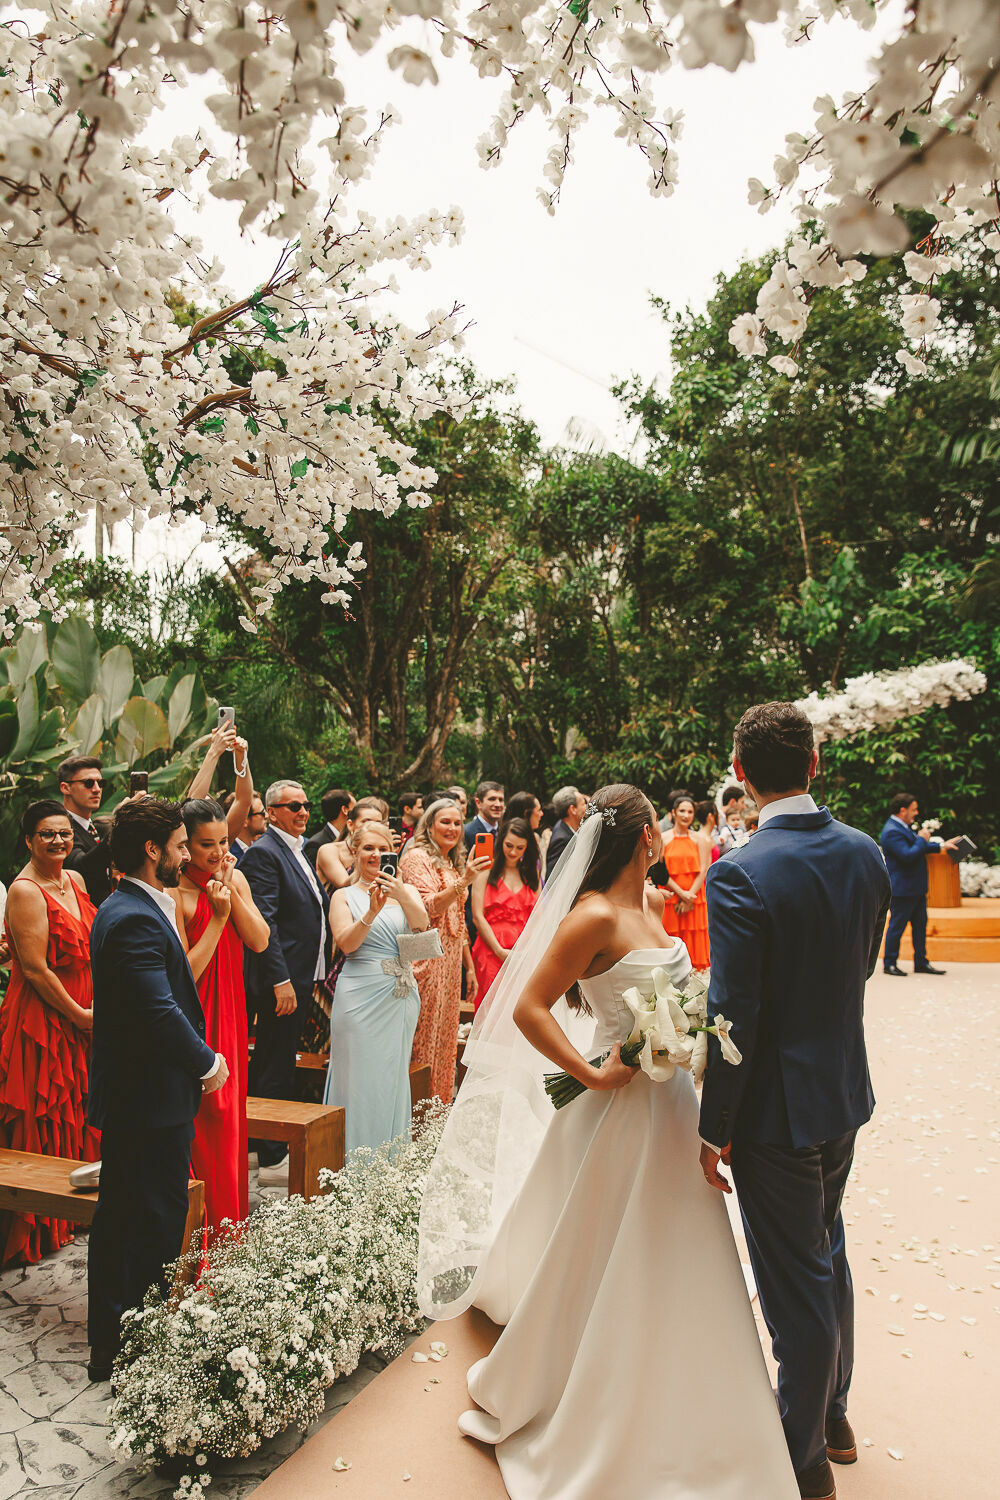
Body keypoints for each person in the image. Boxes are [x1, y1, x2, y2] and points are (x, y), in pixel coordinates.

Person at [417, 785, 798, 1500]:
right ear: (645, 835)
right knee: (607, 1244)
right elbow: (529, 1007)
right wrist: (589, 1074)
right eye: (658, 823)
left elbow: (679, 997)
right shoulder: (590, 915)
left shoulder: (651, 907)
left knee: (678, 1243)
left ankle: (688, 1374)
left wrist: (690, 1026)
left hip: (673, 1103)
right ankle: (596, 1383)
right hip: (618, 1109)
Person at [699, 702, 891, 1500]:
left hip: (775, 1111)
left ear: (740, 778)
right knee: (827, 1248)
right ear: (814, 765)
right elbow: (864, 968)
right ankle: (836, 1416)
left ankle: (804, 1457)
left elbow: (733, 1015)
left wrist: (714, 1128)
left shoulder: (739, 870)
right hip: (843, 1089)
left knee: (796, 1279)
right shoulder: (867, 853)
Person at [87, 798, 229, 1383]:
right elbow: (156, 1009)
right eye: (177, 846)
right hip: (147, 1101)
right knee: (153, 1221)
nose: (181, 855)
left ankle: (115, 1349)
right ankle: (137, 1346)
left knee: (124, 1219)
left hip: (136, 1097)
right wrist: (207, 1062)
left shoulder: (127, 906)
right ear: (153, 851)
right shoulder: (135, 917)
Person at [0, 801, 99, 1265]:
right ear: (28, 840)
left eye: (64, 833)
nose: (59, 841)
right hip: (46, 1014)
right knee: (46, 1111)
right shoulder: (25, 891)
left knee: (78, 1105)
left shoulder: (74, 881)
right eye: (47, 834)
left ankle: (73, 1211)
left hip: (84, 1009)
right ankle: (38, 1224)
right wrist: (79, 1013)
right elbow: (37, 970)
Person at [173, 799, 270, 1235]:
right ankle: (200, 1234)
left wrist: (230, 887)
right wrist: (217, 916)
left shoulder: (235, 878)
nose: (216, 852)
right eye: (205, 844)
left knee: (231, 1121)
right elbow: (184, 976)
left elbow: (261, 941)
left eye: (224, 842)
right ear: (185, 845)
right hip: (195, 1020)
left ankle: (229, 1227)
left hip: (231, 1014)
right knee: (206, 1120)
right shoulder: (175, 894)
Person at [324, 822, 429, 1152]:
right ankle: (349, 1161)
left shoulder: (406, 891)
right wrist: (371, 911)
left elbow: (422, 930)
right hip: (358, 994)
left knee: (391, 1077)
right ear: (354, 852)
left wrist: (400, 895)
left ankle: (388, 1162)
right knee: (357, 1079)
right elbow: (347, 945)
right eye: (367, 848)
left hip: (400, 995)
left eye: (382, 849)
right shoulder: (343, 896)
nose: (375, 855)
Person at [241, 781, 327, 1185]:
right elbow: (265, 920)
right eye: (293, 806)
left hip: (302, 972)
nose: (303, 811)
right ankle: (272, 1156)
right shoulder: (264, 853)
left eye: (306, 805)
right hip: (283, 977)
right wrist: (281, 979)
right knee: (275, 1063)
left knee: (276, 1060)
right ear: (271, 812)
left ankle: (259, 1146)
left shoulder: (295, 848)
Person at [400, 800, 491, 1103]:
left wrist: (468, 966)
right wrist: (465, 881)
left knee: (446, 1038)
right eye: (445, 822)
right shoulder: (416, 858)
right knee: (424, 1037)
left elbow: (459, 922)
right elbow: (426, 908)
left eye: (457, 823)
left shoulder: (449, 862)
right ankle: (416, 1111)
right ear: (428, 825)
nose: (452, 828)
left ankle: (437, 1109)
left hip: (450, 962)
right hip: (425, 959)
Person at [880, 792, 959, 977]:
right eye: (913, 809)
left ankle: (921, 962)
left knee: (920, 926)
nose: (916, 813)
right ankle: (889, 964)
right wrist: (923, 839)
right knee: (897, 927)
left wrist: (942, 846)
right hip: (902, 889)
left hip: (915, 888)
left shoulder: (902, 827)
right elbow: (908, 855)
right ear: (903, 810)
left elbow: (915, 846)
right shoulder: (892, 830)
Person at [470, 818, 539, 1009]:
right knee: (491, 1007)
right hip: (491, 949)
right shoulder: (486, 870)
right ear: (501, 842)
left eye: (520, 848)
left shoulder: (531, 875)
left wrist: (525, 951)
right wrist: (499, 951)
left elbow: (537, 918)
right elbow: (477, 916)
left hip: (522, 951)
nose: (513, 852)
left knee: (518, 1008)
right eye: (509, 845)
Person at [658, 793, 712, 968]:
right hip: (671, 897)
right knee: (671, 939)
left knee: (694, 943)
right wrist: (681, 894)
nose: (686, 815)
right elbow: (660, 871)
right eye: (682, 811)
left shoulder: (700, 839)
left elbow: (704, 869)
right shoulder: (664, 838)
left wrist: (690, 896)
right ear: (674, 812)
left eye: (689, 812)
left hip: (695, 898)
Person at [59, 754, 114, 905]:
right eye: (88, 783)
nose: (96, 789)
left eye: (100, 783)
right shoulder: (59, 830)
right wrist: (121, 824)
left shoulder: (96, 828)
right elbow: (81, 867)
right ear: (66, 787)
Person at [315, 796, 384, 892]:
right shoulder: (329, 850)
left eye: (378, 824)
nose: (372, 827)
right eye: (366, 822)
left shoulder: (381, 852)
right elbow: (342, 884)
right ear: (350, 825)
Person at [304, 788, 355, 870]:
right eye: (355, 809)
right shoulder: (316, 844)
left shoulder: (351, 839)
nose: (357, 813)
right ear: (345, 810)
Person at [543, 785, 587, 878]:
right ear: (572, 809)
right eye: (583, 804)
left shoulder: (566, 826)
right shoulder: (561, 840)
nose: (587, 808)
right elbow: (552, 878)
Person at [222, 788, 267, 862]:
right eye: (262, 813)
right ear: (244, 820)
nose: (267, 816)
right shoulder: (227, 856)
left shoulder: (261, 848)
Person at [463, 780, 506, 851]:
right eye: (492, 799)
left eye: (501, 800)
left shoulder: (505, 832)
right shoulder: (466, 833)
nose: (498, 804)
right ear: (478, 803)